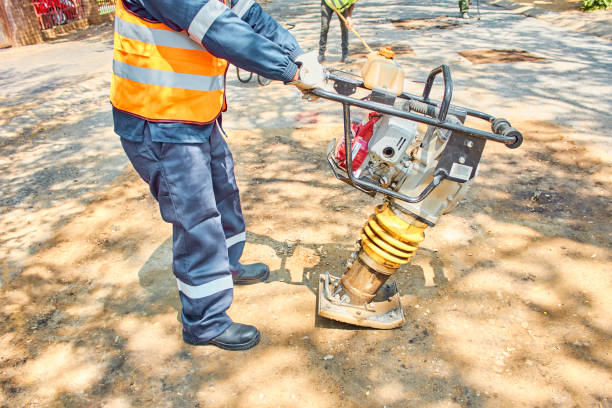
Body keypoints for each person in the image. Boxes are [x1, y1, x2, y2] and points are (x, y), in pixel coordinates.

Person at [110, 0, 324, 350]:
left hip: (195, 112)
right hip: (158, 118)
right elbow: (220, 30)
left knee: (223, 193)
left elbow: (250, 17)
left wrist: (298, 55)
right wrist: (290, 71)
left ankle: (227, 267)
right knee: (197, 219)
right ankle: (204, 321)